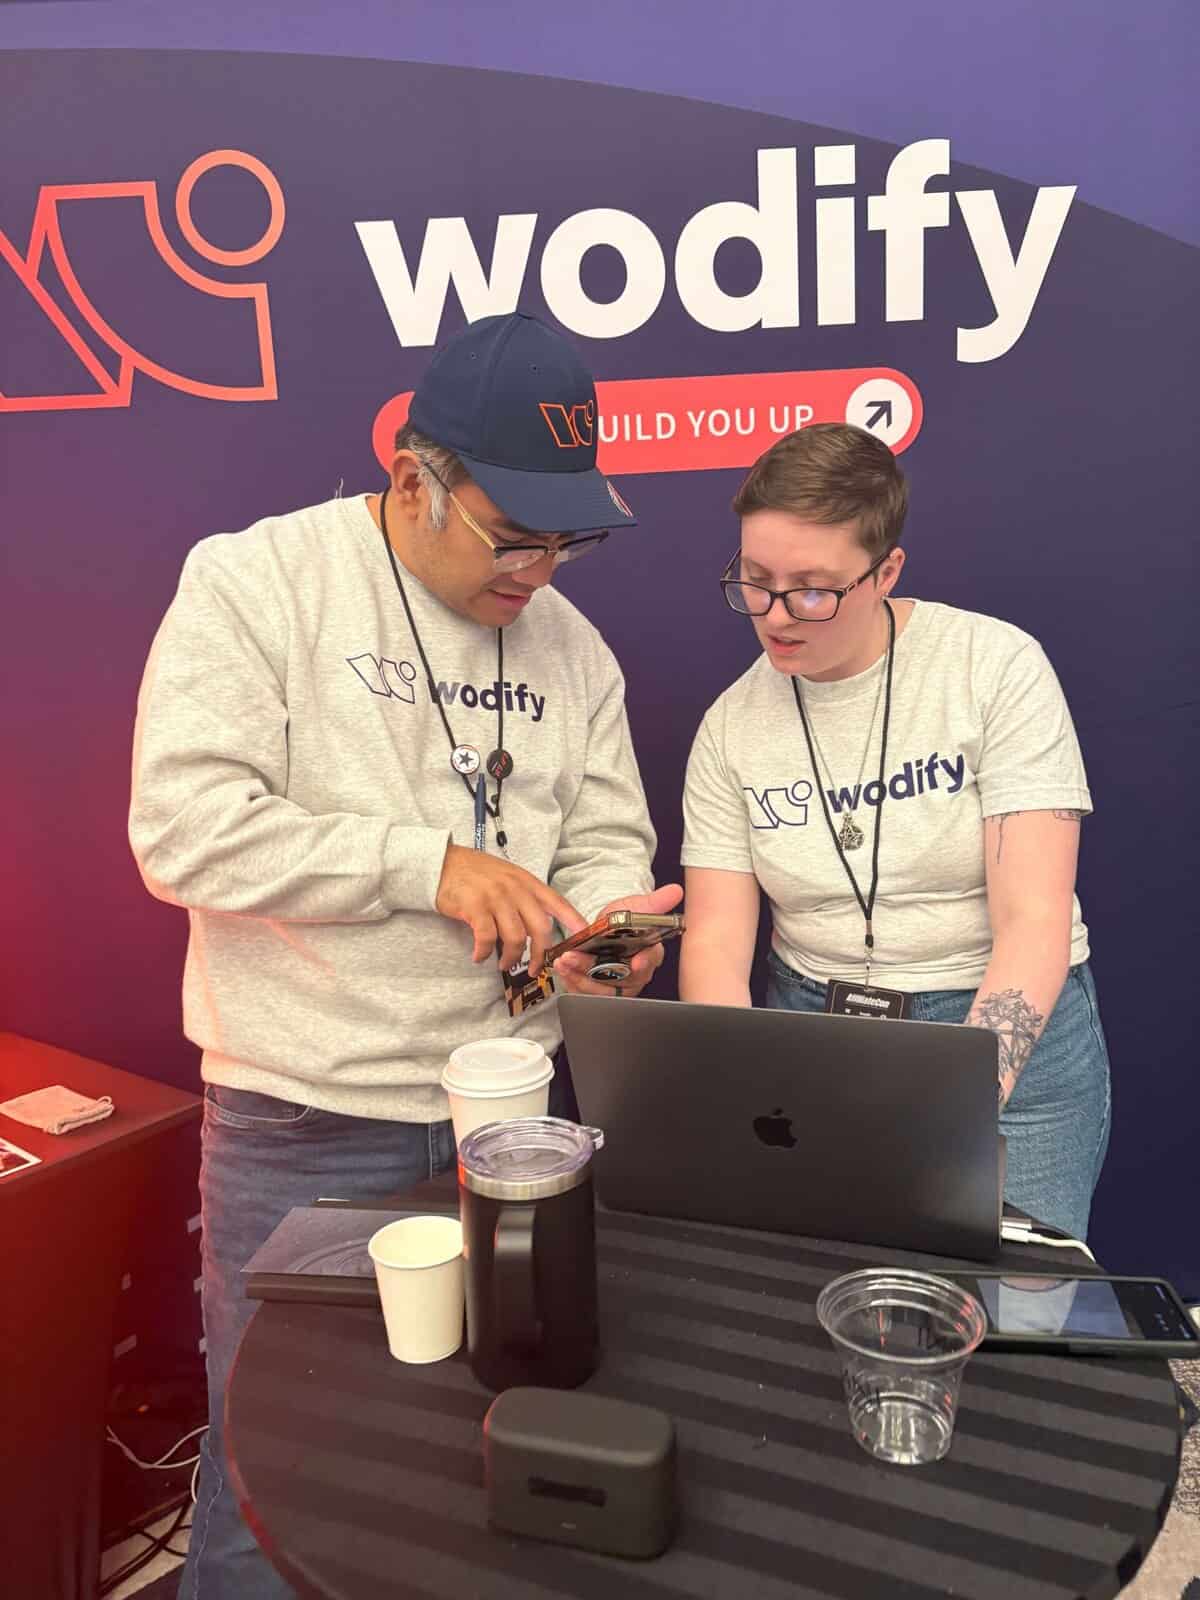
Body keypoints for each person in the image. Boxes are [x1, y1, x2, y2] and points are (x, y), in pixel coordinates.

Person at [129, 312, 679, 1599]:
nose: (542, 570)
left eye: (568, 538)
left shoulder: (572, 647)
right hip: (306, 1123)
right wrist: (423, 865)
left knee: (475, 1468)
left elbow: (606, 832)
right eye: (514, 535)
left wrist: (604, 937)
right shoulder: (257, 582)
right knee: (278, 1471)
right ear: (411, 479)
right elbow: (181, 829)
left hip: (518, 1132)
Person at [679, 422, 1110, 1243]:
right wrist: (737, 1093)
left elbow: (1035, 921)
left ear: (887, 573)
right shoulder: (730, 729)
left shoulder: (994, 669)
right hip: (813, 1037)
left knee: (1019, 1314)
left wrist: (953, 1112)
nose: (775, 616)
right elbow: (716, 941)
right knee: (831, 1293)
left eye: (812, 588)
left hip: (998, 1028)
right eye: (755, 581)